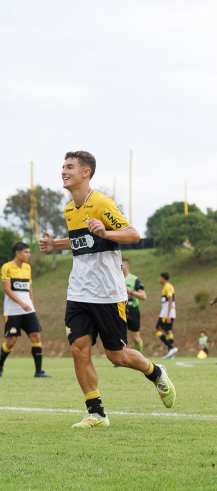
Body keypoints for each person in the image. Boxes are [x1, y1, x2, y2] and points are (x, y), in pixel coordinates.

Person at [40, 151, 176, 429]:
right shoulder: (69, 210)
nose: (63, 171)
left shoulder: (101, 203)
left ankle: (155, 372)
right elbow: (81, 241)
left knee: (117, 355)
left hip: (108, 293)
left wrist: (106, 233)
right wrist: (56, 245)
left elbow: (133, 234)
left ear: (86, 172)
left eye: (70, 167)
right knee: (79, 349)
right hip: (78, 292)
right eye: (63, 166)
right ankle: (96, 413)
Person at [0, 242, 51, 378]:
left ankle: (39, 371)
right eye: (26, 252)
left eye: (29, 252)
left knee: (36, 336)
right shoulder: (7, 267)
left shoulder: (27, 267)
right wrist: (21, 303)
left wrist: (31, 302)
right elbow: (7, 289)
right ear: (17, 253)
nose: (29, 255)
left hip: (28, 310)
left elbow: (29, 288)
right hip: (12, 311)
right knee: (11, 341)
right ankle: (0, 366)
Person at [122, 258, 147, 352]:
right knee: (120, 338)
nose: (120, 267)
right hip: (119, 310)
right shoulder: (116, 279)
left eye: (122, 265)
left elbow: (143, 296)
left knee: (136, 338)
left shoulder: (134, 279)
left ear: (127, 266)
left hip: (133, 310)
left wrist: (131, 291)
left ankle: (139, 356)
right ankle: (120, 357)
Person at [156, 272, 178, 359]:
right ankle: (170, 353)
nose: (158, 279)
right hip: (168, 311)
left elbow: (170, 298)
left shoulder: (168, 286)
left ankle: (171, 348)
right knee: (168, 331)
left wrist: (168, 315)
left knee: (157, 329)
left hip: (166, 312)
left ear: (163, 278)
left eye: (159, 277)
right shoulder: (166, 286)